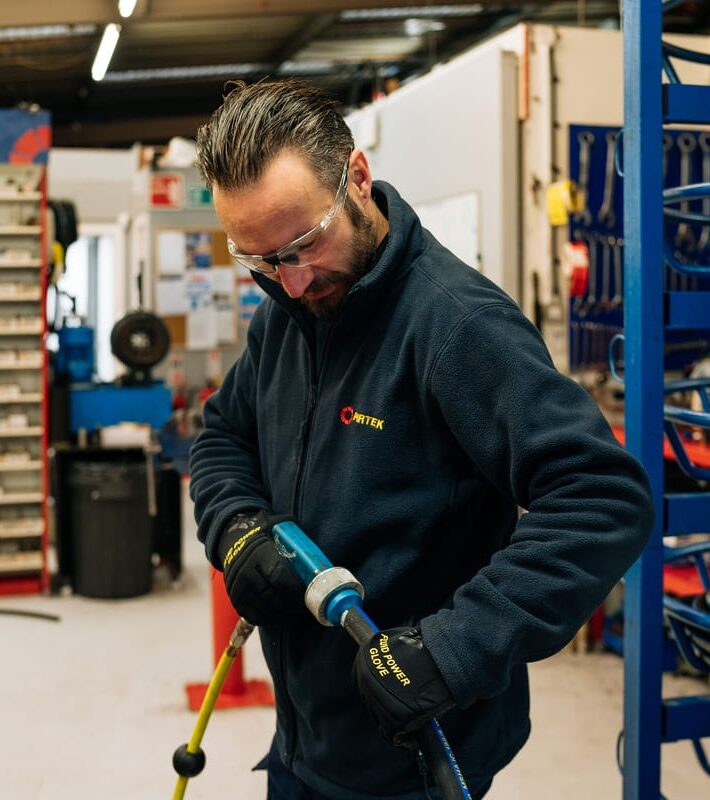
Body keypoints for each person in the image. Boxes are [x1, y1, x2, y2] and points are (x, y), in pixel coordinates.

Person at [189, 79, 654, 800]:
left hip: (419, 758)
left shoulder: (455, 327)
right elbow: (222, 436)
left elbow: (603, 499)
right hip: (307, 742)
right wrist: (237, 529)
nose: (295, 279)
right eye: (263, 261)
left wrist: (456, 648)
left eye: (306, 244)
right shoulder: (286, 312)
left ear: (358, 178)